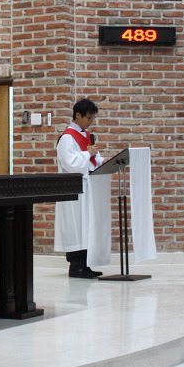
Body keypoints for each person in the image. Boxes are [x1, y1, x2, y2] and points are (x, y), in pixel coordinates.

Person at [54, 98, 107, 278]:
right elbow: (71, 163)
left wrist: (100, 160)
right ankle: (76, 266)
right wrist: (87, 154)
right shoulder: (67, 138)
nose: (90, 122)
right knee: (76, 226)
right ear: (78, 115)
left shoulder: (86, 136)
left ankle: (85, 264)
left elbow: (93, 159)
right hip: (73, 189)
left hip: (86, 187)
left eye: (92, 118)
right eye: (89, 118)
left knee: (86, 226)